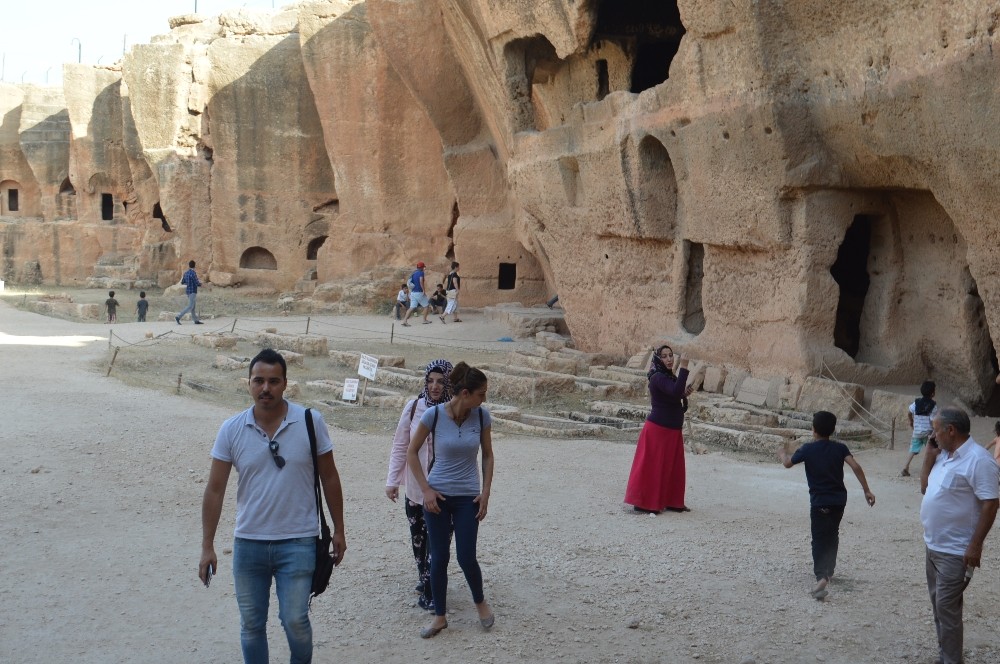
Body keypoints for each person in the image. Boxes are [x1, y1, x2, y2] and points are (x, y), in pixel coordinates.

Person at [199, 348, 347, 663]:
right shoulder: (232, 429)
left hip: (298, 540)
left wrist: (339, 530)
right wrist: (207, 545)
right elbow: (214, 489)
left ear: (285, 384)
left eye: (273, 381)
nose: (266, 388)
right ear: (249, 383)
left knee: (295, 620)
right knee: (252, 625)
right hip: (249, 543)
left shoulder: (310, 422)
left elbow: (330, 478)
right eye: (259, 381)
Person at [406, 362, 495, 638]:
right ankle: (440, 617)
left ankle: (480, 602)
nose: (484, 399)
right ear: (465, 393)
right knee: (439, 557)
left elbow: (488, 455)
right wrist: (425, 491)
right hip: (438, 496)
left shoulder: (481, 416)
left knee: (467, 556)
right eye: (481, 393)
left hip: (468, 496)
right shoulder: (433, 416)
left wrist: (487, 491)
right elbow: (412, 452)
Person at [919, 407, 999, 664]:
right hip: (933, 546)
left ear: (950, 430)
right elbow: (924, 487)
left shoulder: (979, 460)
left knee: (947, 608)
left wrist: (976, 546)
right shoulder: (943, 455)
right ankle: (947, 656)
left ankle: (952, 661)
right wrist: (929, 456)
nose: (933, 434)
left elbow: (991, 503)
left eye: (936, 429)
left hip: (956, 551)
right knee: (939, 607)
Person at [778, 411, 876, 600]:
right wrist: (866, 490)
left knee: (818, 538)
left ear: (813, 429)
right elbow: (855, 466)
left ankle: (821, 577)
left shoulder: (807, 449)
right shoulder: (840, 448)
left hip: (819, 502)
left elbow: (788, 464)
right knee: (832, 534)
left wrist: (782, 453)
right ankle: (829, 570)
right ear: (833, 430)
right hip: (839, 501)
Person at [385, 359, 453, 612]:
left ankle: (431, 590)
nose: (435, 386)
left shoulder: (454, 411)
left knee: (439, 544)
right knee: (419, 541)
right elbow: (401, 445)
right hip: (415, 489)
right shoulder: (414, 408)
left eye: (440, 381)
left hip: (445, 490)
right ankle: (425, 578)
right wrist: (393, 481)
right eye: (430, 380)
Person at [624, 345, 694, 514]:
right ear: (657, 359)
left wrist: (684, 393)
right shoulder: (657, 377)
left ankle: (672, 501)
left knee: (672, 468)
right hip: (658, 431)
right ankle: (645, 503)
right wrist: (684, 366)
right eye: (664, 356)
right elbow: (674, 391)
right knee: (653, 468)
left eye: (671, 355)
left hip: (672, 430)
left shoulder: (668, 376)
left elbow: (674, 394)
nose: (669, 359)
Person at [902, 380, 938, 477]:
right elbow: (932, 420)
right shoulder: (933, 406)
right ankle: (929, 469)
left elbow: (909, 412)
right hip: (928, 432)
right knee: (931, 449)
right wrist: (935, 431)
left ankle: (905, 466)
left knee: (913, 449)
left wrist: (911, 421)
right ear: (933, 393)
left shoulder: (916, 402)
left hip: (917, 431)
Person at [402, 261, 431, 326]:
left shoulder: (414, 273)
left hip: (413, 293)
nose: (424, 268)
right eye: (423, 267)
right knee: (426, 306)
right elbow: (421, 281)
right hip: (419, 292)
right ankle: (424, 320)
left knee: (411, 307)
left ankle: (405, 321)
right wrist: (423, 290)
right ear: (422, 267)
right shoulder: (421, 273)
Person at [176, 260, 203, 325]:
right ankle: (178, 316)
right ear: (194, 265)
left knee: (193, 306)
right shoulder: (193, 273)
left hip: (188, 291)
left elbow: (182, 282)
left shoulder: (186, 273)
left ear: (189, 265)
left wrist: (189, 283)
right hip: (193, 291)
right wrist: (202, 285)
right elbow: (197, 283)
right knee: (190, 306)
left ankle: (196, 320)